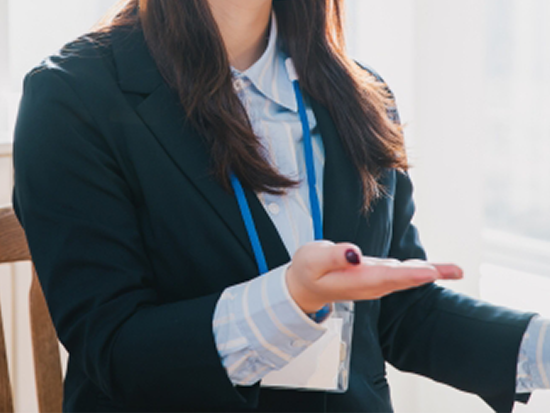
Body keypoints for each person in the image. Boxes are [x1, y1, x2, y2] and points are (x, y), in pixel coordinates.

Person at [11, 0, 550, 412]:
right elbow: (116, 348)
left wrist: (541, 348)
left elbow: (398, 314)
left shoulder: (359, 93)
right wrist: (291, 297)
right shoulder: (70, 100)